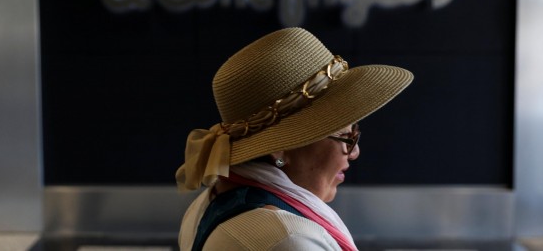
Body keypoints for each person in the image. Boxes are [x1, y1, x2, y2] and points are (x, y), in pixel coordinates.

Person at [176, 27, 413, 250]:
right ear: (280, 149)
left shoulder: (207, 204)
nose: (354, 152)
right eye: (345, 137)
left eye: (355, 132)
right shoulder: (289, 239)